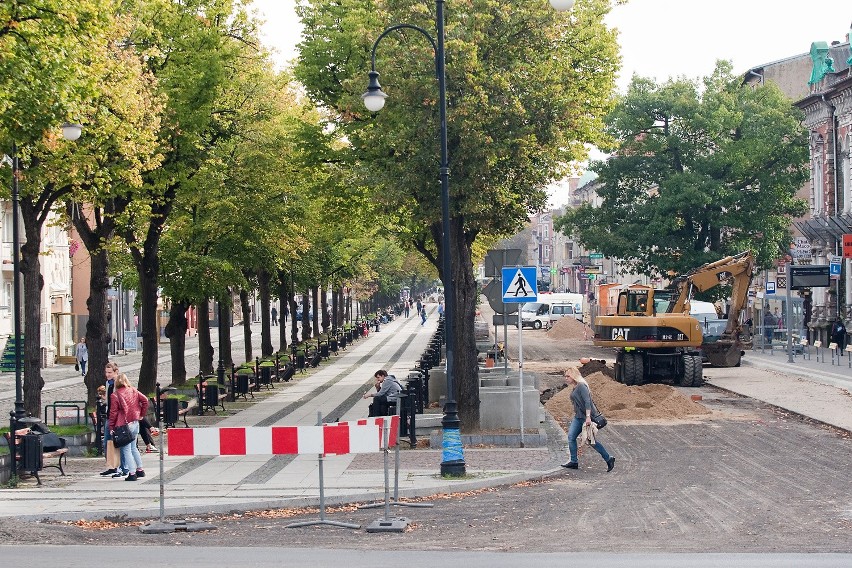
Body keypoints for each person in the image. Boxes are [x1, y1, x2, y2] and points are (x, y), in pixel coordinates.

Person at [561, 367, 615, 472]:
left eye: (568, 376)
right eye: (565, 376)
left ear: (574, 376)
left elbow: (587, 402)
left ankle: (609, 459)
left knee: (591, 441)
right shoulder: (575, 386)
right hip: (578, 417)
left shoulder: (581, 386)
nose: (566, 378)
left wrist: (588, 417)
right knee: (571, 437)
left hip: (586, 418)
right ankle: (573, 461)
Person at [109, 373, 149, 481]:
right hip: (135, 422)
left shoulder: (115, 395)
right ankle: (140, 469)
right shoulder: (133, 390)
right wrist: (141, 414)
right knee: (133, 447)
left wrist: (111, 426)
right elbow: (145, 400)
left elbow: (113, 413)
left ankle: (132, 473)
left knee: (126, 449)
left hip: (124, 424)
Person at [99, 361, 122, 476]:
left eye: (109, 372)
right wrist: (104, 400)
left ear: (116, 372)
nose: (107, 374)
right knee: (107, 442)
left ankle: (121, 467)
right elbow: (109, 401)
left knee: (118, 442)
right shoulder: (108, 383)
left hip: (117, 417)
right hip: (109, 416)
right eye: (106, 372)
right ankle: (111, 466)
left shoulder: (119, 383)